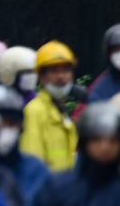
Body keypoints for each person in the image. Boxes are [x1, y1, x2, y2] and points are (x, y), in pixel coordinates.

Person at [20, 40, 79, 170]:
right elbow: (32, 161)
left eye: (66, 70)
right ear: (41, 77)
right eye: (54, 71)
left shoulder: (61, 112)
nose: (61, 77)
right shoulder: (34, 111)